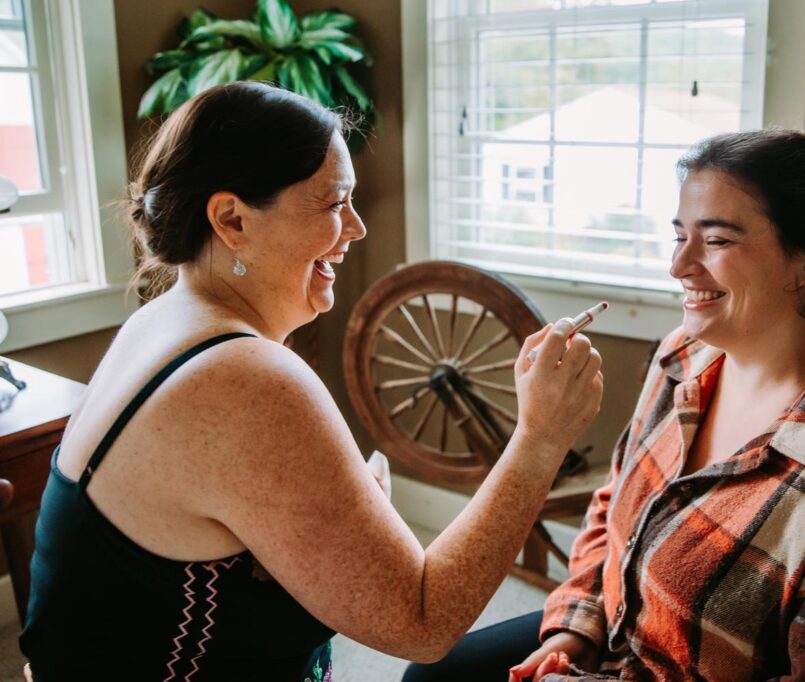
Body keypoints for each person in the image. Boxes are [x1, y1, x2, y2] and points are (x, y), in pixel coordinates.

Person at [18, 82, 603, 680]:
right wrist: (539, 438)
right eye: (332, 204)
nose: (356, 228)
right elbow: (423, 623)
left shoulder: (160, 320)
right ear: (232, 219)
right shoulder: (245, 379)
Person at [403, 130, 805, 682]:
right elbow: (612, 505)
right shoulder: (683, 356)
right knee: (429, 676)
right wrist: (573, 636)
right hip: (617, 646)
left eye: (716, 242)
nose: (679, 267)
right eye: (679, 236)